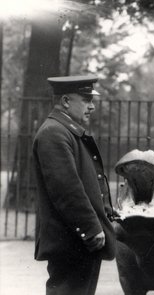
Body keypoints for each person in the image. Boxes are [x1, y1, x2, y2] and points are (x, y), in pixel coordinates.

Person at [32, 75, 116, 295]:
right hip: (71, 240)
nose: (92, 106)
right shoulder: (54, 133)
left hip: (78, 240)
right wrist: (90, 228)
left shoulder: (66, 130)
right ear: (66, 101)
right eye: (87, 99)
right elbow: (66, 190)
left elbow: (88, 183)